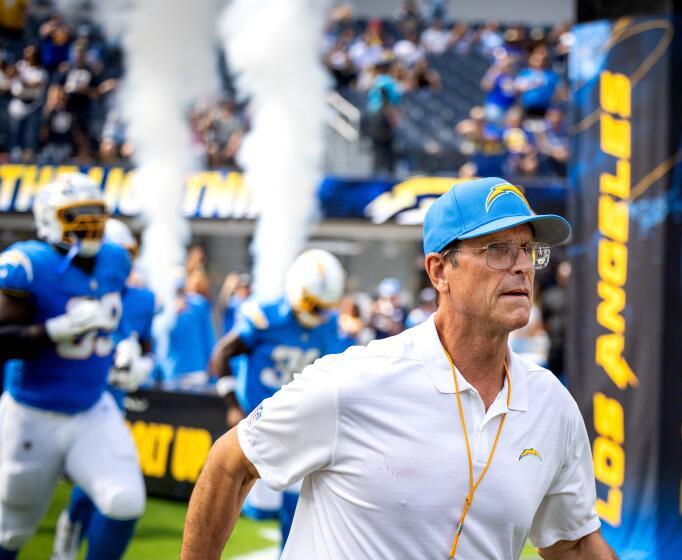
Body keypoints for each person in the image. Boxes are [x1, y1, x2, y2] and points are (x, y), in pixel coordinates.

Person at [181, 177, 616, 559]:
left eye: (527, 249)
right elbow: (229, 464)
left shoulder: (552, 406)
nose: (522, 264)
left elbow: (572, 544)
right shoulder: (354, 381)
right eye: (498, 249)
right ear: (439, 271)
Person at [0, 173, 145, 559]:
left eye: (95, 216)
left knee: (125, 500)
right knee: (11, 532)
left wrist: (125, 346)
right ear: (50, 219)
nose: (89, 225)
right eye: (77, 216)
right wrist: (51, 331)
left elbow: (117, 312)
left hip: (91, 408)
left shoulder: (114, 258)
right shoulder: (28, 263)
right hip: (31, 412)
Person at [208, 249, 354, 551]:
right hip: (257, 421)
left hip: (300, 423)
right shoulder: (265, 316)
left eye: (326, 308)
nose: (320, 315)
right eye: (315, 306)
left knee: (297, 505)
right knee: (256, 508)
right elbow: (221, 355)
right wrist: (232, 404)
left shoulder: (328, 325)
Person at [52, 218, 157, 559]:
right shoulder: (76, 287)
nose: (124, 263)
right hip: (71, 395)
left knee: (107, 478)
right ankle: (70, 524)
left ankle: (72, 526)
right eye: (119, 253)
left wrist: (142, 366)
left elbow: (146, 343)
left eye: (130, 254)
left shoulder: (142, 299)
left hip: (112, 399)